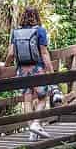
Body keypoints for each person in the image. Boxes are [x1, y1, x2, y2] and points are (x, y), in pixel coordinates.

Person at [5, 7, 54, 140]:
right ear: (37, 17)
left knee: (27, 99)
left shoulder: (15, 32)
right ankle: (36, 123)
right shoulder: (40, 31)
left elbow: (11, 53)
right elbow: (44, 53)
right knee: (43, 97)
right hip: (37, 69)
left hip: (22, 70)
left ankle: (31, 131)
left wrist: (5, 66)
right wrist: (50, 70)